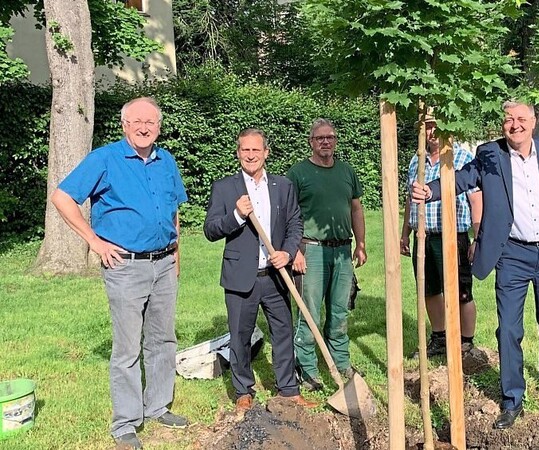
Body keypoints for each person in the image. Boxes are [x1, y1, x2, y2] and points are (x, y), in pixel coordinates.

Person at [412, 101, 539, 430]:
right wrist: (430, 190)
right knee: (508, 329)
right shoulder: (490, 154)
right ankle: (512, 398)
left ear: (534, 122)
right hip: (512, 256)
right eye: (509, 120)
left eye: (521, 119)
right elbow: (461, 180)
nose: (515, 125)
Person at [51, 97, 189, 449]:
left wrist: (177, 253)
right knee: (128, 348)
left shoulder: (166, 160)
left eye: (151, 123)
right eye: (137, 122)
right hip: (125, 265)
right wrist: (94, 242)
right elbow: (63, 197)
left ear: (159, 127)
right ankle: (126, 423)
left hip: (163, 262)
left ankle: (158, 405)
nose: (144, 128)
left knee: (163, 339)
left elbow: (174, 210)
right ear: (124, 125)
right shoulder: (105, 159)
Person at [203, 128, 318, 413]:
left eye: (256, 150)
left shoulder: (282, 186)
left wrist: (287, 252)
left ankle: (288, 389)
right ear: (238, 153)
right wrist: (237, 215)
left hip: (276, 275)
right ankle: (243, 390)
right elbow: (210, 230)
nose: (251, 155)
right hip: (241, 276)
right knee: (240, 335)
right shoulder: (225, 188)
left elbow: (295, 224)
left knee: (283, 332)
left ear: (266, 152)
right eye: (245, 150)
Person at [288, 118, 367, 390]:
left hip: (343, 250)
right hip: (310, 250)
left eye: (330, 137)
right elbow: (289, 214)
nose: (325, 142)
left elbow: (356, 208)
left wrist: (361, 244)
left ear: (335, 141)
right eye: (320, 138)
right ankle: (308, 368)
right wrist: (294, 250)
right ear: (311, 142)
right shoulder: (297, 174)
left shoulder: (347, 172)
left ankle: (341, 362)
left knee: (340, 310)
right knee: (309, 311)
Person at [401, 113, 483, 357]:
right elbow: (410, 199)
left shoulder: (462, 157)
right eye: (427, 127)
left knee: (461, 291)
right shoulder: (416, 161)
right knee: (429, 289)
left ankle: (466, 342)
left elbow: (476, 199)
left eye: (436, 126)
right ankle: (439, 338)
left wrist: (477, 238)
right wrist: (405, 233)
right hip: (423, 236)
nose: (432, 132)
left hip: (453, 236)